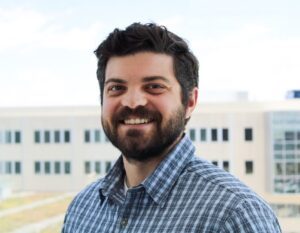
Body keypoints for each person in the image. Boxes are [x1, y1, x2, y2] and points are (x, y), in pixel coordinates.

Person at [62, 22, 281, 232]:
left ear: (190, 102)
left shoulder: (235, 214)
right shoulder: (83, 208)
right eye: (117, 87)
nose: (132, 102)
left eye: (154, 86)